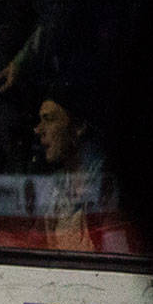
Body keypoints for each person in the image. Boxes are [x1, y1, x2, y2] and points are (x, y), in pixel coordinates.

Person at [32, 82, 119, 252]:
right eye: (40, 120)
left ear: (78, 126)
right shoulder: (54, 187)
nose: (39, 129)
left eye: (49, 119)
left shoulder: (109, 185)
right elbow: (32, 244)